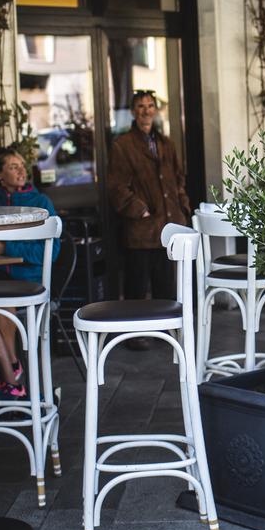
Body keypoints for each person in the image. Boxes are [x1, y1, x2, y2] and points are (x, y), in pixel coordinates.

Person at [106, 90, 191, 349]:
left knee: (165, 284)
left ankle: (165, 331)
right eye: (140, 106)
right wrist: (138, 209)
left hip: (168, 225)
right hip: (141, 228)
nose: (146, 110)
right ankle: (135, 334)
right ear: (133, 112)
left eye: (150, 106)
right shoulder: (123, 145)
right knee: (137, 286)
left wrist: (183, 207)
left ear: (155, 110)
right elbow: (117, 186)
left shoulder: (166, 143)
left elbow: (178, 178)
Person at [0, 147, 59, 398]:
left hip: (28, 280)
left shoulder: (40, 203)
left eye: (22, 164)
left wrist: (4, 247)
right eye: (13, 166)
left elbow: (50, 253)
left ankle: (9, 375)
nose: (22, 170)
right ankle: (12, 373)